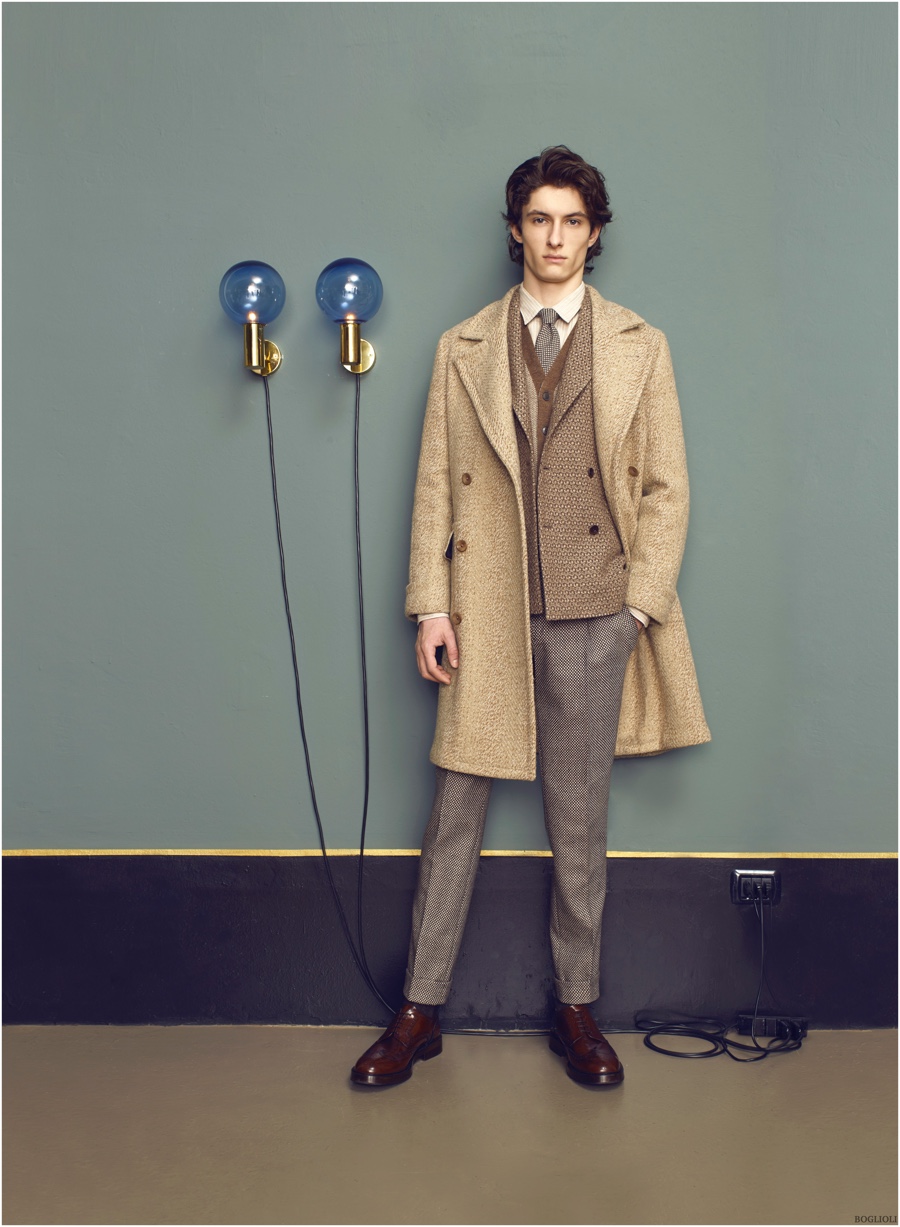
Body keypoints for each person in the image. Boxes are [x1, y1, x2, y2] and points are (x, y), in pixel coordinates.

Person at [351, 146, 710, 1088]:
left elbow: (668, 488)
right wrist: (430, 603)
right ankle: (419, 1008)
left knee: (579, 825)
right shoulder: (463, 345)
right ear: (516, 230)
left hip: (597, 616)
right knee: (454, 816)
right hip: (487, 614)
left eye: (572, 221)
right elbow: (436, 482)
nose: (555, 237)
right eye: (540, 219)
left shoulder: (640, 343)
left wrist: (638, 608)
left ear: (594, 235)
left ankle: (577, 1005)